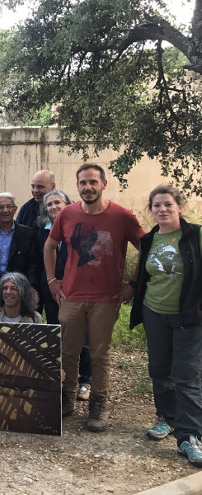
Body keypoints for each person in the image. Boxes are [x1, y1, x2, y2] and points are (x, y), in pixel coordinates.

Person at [44, 163, 145, 432]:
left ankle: (98, 404)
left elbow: (146, 248)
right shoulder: (66, 213)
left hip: (105, 298)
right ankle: (66, 399)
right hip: (72, 297)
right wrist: (52, 280)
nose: (87, 187)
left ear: (103, 184)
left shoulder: (122, 216)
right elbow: (50, 246)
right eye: (82, 183)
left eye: (92, 182)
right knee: (68, 352)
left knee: (100, 354)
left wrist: (133, 285)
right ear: (77, 186)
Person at [129, 185, 202, 466]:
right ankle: (166, 418)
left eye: (168, 204)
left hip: (188, 318)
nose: (162, 210)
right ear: (151, 210)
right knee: (159, 369)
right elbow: (145, 275)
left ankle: (190, 437)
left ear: (179, 207)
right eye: (157, 205)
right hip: (154, 313)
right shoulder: (149, 239)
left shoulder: (194, 235)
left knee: (187, 375)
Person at [37, 190, 92, 401]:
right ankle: (61, 381)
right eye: (49, 204)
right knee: (56, 336)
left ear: (67, 204)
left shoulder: (79, 228)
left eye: (57, 202)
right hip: (50, 290)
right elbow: (39, 260)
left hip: (76, 292)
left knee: (83, 339)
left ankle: (85, 381)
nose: (53, 207)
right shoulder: (42, 232)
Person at [0, 192, 40, 302]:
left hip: (18, 286)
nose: (5, 210)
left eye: (9, 206)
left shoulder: (28, 234)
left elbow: (33, 264)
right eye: (1, 207)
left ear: (15, 209)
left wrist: (32, 286)